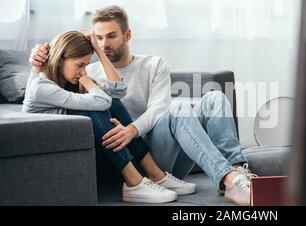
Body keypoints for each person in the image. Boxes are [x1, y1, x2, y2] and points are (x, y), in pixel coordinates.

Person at [29, 5, 256, 206]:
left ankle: (237, 170)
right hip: (131, 152)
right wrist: (38, 61)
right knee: (178, 107)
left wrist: (132, 130)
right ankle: (226, 178)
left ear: (128, 35)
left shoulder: (154, 64)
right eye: (98, 38)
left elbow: (158, 108)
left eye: (111, 36)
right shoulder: (87, 71)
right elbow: (107, 96)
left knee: (213, 98)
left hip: (149, 141)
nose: (104, 43)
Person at [23, 30, 196, 204]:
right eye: (80, 65)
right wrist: (90, 84)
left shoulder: (70, 83)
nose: (83, 72)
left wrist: (98, 50)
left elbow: (119, 90)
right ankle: (134, 183)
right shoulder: (41, 87)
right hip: (55, 155)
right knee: (93, 109)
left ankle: (155, 174)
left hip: (95, 154)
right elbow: (100, 102)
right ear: (59, 60)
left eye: (86, 66)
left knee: (114, 103)